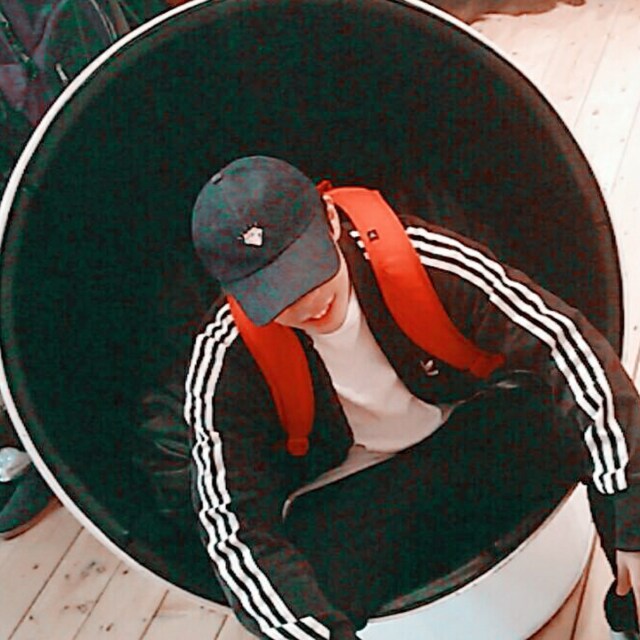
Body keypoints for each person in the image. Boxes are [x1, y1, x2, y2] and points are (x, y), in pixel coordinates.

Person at [185, 155, 640, 640]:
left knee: (591, 421)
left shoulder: (421, 258)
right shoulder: (225, 357)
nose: (306, 303)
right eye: (274, 294)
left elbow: (567, 345)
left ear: (331, 219)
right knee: (292, 591)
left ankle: (630, 607)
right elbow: (231, 525)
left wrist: (634, 527)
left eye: (308, 270)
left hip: (470, 439)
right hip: (357, 498)